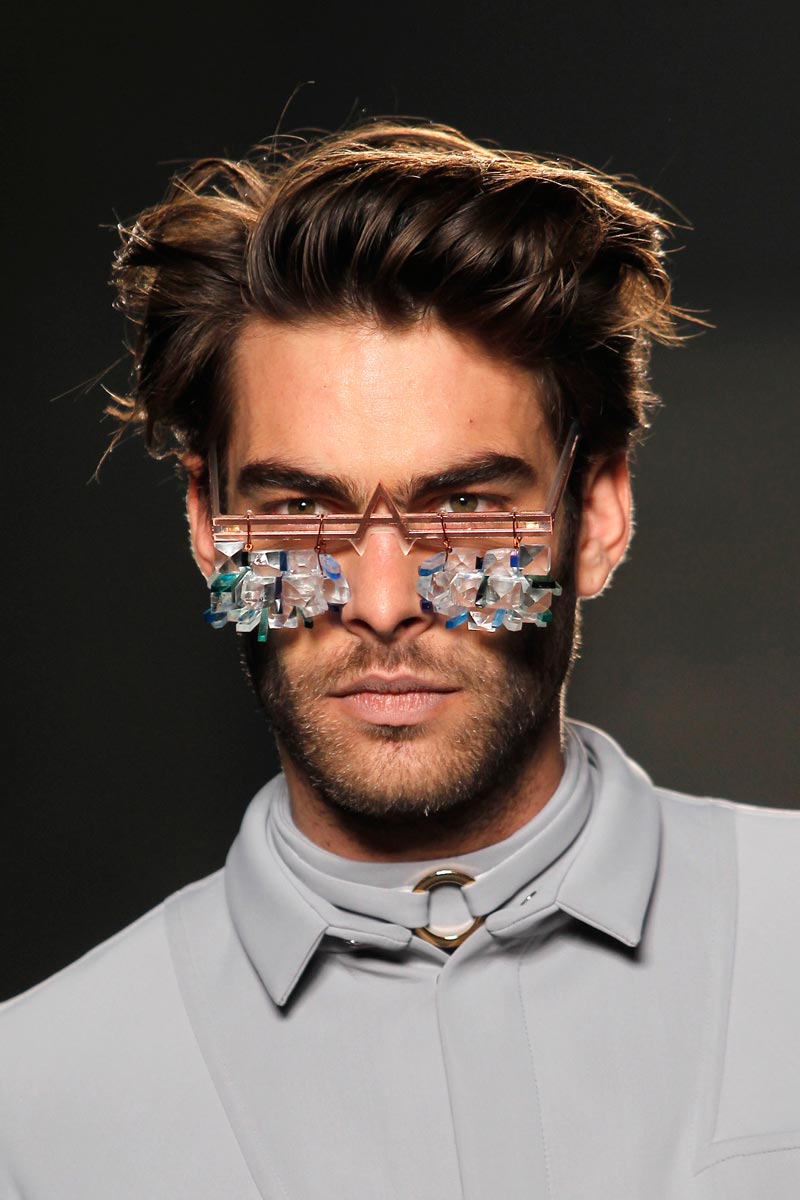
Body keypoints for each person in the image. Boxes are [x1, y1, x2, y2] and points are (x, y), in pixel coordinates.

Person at [1, 121, 797, 1200]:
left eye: (465, 508)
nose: (382, 605)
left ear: (600, 514)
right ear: (206, 526)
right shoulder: (36, 1102)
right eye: (298, 513)